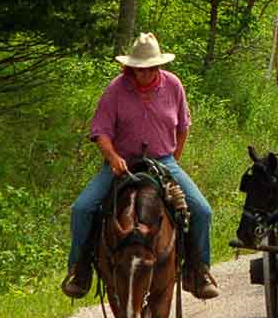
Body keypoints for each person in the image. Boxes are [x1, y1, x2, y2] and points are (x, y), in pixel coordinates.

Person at [64, 32, 219, 300]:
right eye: (139, 69)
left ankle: (199, 269)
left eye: (150, 68)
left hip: (163, 161)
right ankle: (80, 269)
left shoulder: (173, 86)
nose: (144, 74)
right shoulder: (115, 89)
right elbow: (100, 131)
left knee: (201, 210)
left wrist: (173, 161)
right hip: (123, 163)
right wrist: (113, 158)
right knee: (83, 207)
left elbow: (183, 126)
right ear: (131, 68)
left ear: (158, 66)